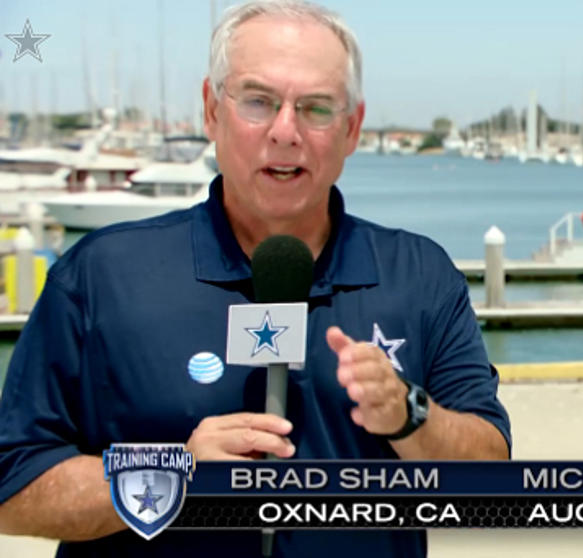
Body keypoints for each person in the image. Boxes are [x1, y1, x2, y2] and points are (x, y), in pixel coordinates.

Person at [0, 1, 510, 556]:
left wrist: (410, 414)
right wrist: (171, 473)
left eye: (315, 108)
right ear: (211, 111)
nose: (285, 132)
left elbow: (489, 481)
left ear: (353, 128)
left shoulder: (421, 277)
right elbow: (14, 484)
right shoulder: (102, 276)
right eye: (258, 102)